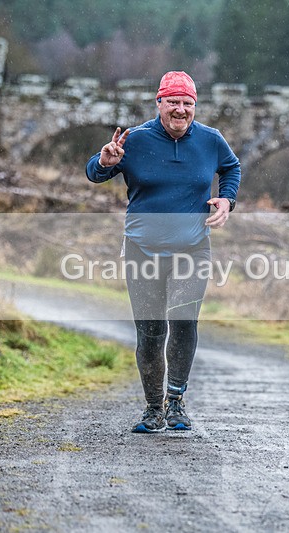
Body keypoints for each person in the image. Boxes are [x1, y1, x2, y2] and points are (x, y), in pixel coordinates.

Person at [86, 71, 241, 433]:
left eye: (187, 104)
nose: (181, 110)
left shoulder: (211, 140)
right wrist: (105, 162)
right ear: (159, 104)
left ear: (194, 107)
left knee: (184, 322)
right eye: (173, 102)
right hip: (143, 249)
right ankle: (153, 409)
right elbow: (95, 172)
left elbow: (231, 168)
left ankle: (176, 402)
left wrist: (227, 199)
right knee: (151, 331)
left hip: (192, 249)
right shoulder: (135, 140)